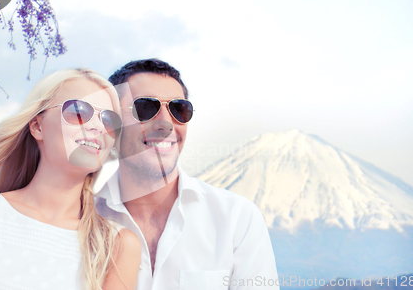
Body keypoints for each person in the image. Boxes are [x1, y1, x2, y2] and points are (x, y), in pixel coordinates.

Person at [0, 68, 141, 290]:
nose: (98, 126)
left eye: (109, 120)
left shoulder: (118, 245)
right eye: (79, 111)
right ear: (37, 126)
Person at [96, 59, 279, 290]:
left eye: (178, 109)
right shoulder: (82, 221)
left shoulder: (237, 219)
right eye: (145, 108)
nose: (166, 123)